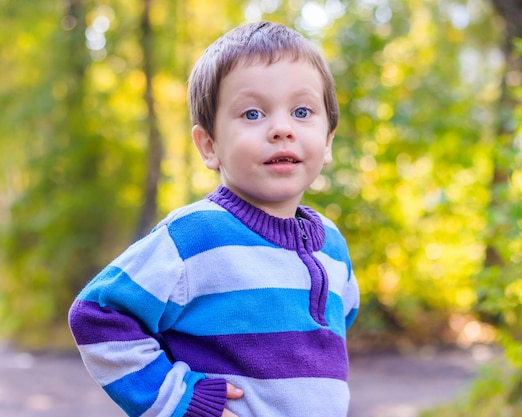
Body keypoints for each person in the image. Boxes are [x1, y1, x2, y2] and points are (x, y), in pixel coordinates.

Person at [68, 21, 360, 417]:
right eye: (253, 113)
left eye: (302, 111)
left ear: (327, 142)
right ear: (210, 145)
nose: (281, 129)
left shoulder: (333, 246)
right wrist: (182, 402)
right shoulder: (194, 235)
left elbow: (339, 324)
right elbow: (98, 315)